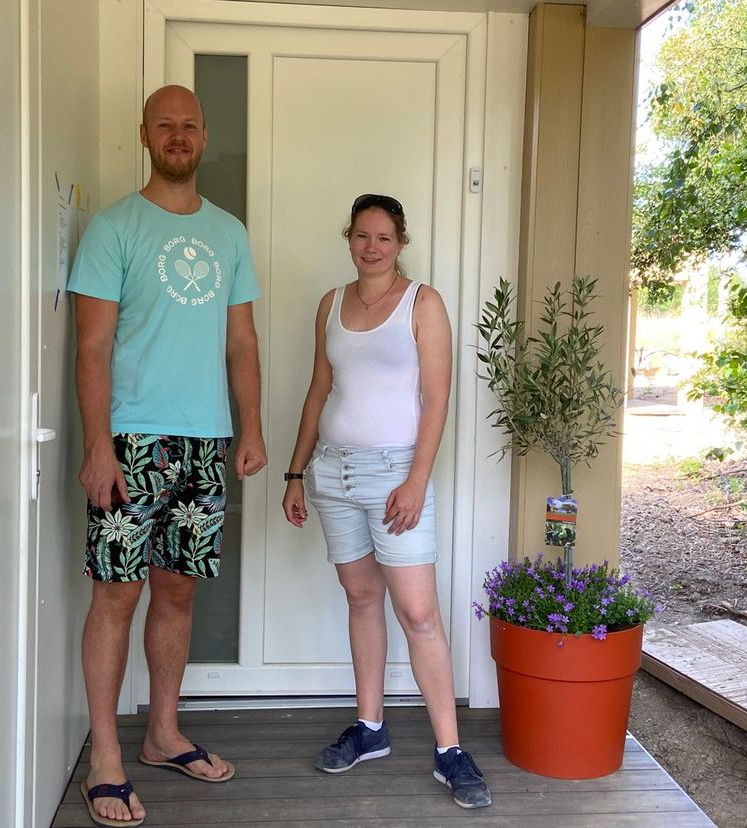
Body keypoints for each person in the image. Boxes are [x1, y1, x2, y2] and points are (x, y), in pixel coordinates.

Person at [68, 84, 266, 828]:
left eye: (190, 124)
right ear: (144, 135)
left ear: (204, 135)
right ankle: (106, 759)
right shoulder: (114, 229)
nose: (178, 135)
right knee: (115, 595)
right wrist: (98, 446)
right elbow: (90, 347)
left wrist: (249, 429)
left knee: (177, 593)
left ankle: (161, 734)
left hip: (204, 443)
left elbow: (241, 341)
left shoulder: (229, 233)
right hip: (130, 442)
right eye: (165, 125)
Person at [281, 194, 492, 809]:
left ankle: (450, 751)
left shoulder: (423, 304)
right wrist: (296, 472)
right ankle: (370, 729)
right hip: (334, 474)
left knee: (418, 613)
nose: (371, 246)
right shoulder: (330, 305)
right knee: (361, 596)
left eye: (384, 237)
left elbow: (436, 396)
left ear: (400, 243)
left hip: (397, 474)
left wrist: (417, 480)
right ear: (348, 238)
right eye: (361, 235)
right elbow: (318, 391)